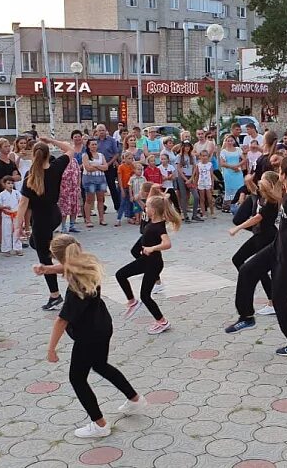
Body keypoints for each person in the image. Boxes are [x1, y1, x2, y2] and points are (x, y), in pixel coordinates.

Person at [41, 234, 146, 439]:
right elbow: (68, 266)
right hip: (103, 326)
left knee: (77, 379)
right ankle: (134, 399)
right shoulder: (88, 265)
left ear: (59, 258)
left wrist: (51, 349)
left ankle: (99, 424)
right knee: (100, 365)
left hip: (87, 336)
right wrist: (47, 269)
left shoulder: (75, 288)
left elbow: (61, 321)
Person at [225, 157, 287, 357]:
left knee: (280, 298)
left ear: (284, 175)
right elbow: (275, 196)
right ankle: (246, 316)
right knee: (247, 270)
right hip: (276, 246)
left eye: (279, 169)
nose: (278, 171)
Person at [15, 136, 76, 311]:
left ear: (34, 155)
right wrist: (51, 139)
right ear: (48, 154)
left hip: (41, 220)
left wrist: (17, 227)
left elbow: (23, 204)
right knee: (37, 243)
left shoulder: (30, 175)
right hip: (54, 215)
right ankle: (61, 258)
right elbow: (70, 149)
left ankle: (54, 295)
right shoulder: (56, 167)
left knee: (43, 258)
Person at [115, 195, 181, 334]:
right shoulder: (149, 221)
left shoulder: (158, 227)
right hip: (146, 261)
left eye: (148, 206)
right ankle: (132, 301)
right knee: (120, 274)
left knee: (145, 296)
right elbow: (148, 200)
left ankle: (162, 321)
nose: (145, 208)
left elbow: (167, 244)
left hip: (153, 264)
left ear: (154, 210)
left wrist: (152, 248)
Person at [228, 171, 282, 317]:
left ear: (269, 183)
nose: (260, 181)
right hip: (259, 235)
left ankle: (272, 303)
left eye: (262, 179)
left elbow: (257, 218)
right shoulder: (262, 194)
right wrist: (248, 181)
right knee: (237, 259)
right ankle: (251, 279)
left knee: (261, 270)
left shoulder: (272, 200)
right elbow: (252, 190)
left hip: (267, 236)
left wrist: (237, 228)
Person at [0, 139, 20, 247]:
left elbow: (18, 176)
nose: (8, 148)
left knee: (13, 216)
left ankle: (12, 240)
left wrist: (8, 179)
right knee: (1, 217)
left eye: (8, 146)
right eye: (5, 146)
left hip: (11, 192)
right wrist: (10, 180)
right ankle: (1, 242)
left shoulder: (11, 162)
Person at [81, 139, 109, 228]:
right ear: (88, 146)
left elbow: (106, 167)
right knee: (89, 199)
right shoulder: (85, 156)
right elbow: (88, 168)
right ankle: (88, 220)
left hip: (101, 179)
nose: (94, 146)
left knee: (101, 199)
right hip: (90, 179)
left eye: (95, 144)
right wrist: (100, 167)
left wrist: (95, 165)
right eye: (92, 144)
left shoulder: (101, 155)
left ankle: (102, 219)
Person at [59, 130, 83, 234]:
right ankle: (63, 226)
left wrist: (78, 186)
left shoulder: (74, 161)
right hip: (64, 189)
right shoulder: (60, 161)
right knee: (64, 208)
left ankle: (72, 225)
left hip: (74, 188)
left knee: (74, 206)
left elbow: (78, 173)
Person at [95, 124, 121, 212]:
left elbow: (116, 153)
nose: (102, 132)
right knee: (100, 188)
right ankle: (102, 206)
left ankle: (118, 207)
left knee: (112, 186)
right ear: (97, 132)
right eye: (100, 130)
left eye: (103, 130)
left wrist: (109, 163)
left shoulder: (111, 140)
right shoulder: (94, 141)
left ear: (106, 131)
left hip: (109, 166)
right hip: (98, 167)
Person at [0, 176, 23, 256]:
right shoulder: (1, 195)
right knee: (6, 232)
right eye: (8, 183)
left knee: (17, 231)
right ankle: (6, 249)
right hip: (6, 215)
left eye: (12, 183)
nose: (10, 185)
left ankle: (18, 248)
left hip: (16, 214)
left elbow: (21, 202)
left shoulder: (17, 193)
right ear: (4, 184)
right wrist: (4, 207)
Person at [175, 142, 201, 222]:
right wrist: (185, 179)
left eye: (188, 146)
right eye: (185, 146)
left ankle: (194, 215)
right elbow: (178, 168)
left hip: (190, 177)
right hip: (182, 177)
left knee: (196, 196)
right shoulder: (179, 156)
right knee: (183, 196)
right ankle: (185, 215)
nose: (187, 148)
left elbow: (194, 168)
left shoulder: (192, 156)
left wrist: (191, 178)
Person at [220, 136, 245, 214]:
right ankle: (230, 207)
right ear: (226, 142)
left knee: (240, 188)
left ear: (234, 141)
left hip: (238, 171)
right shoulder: (223, 151)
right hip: (228, 172)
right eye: (228, 141)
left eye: (231, 140)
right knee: (230, 190)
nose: (230, 142)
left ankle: (240, 206)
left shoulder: (238, 149)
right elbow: (222, 163)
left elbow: (244, 159)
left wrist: (237, 165)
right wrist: (232, 167)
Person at [197, 150, 216, 219]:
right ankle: (204, 213)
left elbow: (211, 175)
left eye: (205, 156)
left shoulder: (210, 164)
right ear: (200, 157)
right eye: (202, 156)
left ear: (208, 157)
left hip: (208, 183)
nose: (204, 157)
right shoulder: (198, 165)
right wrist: (196, 184)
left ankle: (212, 212)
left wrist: (212, 185)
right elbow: (197, 175)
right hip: (201, 183)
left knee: (210, 199)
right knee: (202, 199)